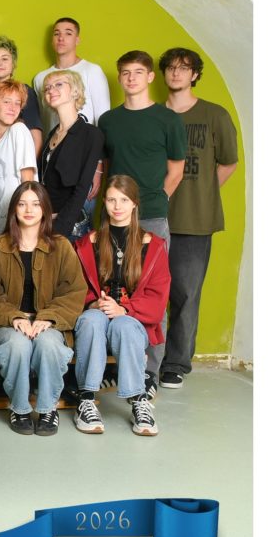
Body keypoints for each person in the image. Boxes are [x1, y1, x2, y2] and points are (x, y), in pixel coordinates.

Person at [99, 50, 187, 386]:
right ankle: (115, 365)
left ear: (150, 77)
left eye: (138, 72)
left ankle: (149, 372)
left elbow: (176, 170)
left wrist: (157, 199)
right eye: (125, 72)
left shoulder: (168, 120)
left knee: (151, 292)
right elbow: (107, 167)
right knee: (112, 287)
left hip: (151, 216)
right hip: (113, 217)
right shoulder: (108, 120)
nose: (131, 78)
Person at [159, 47, 238, 389]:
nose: (176, 73)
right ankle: (145, 360)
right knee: (146, 292)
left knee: (186, 293)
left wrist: (203, 190)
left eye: (184, 68)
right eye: (171, 68)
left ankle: (175, 363)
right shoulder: (153, 114)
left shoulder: (214, 115)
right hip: (154, 216)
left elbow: (229, 163)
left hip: (195, 220)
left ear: (194, 75)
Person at [0, 182, 86, 436]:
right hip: (10, 322)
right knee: (16, 346)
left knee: (49, 345)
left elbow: (74, 292)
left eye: (36, 204)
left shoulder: (61, 246)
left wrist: (49, 318)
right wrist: (14, 317)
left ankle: (48, 408)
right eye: (22, 204)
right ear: (14, 209)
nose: (29, 210)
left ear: (45, 210)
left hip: (49, 321)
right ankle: (19, 409)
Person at [72, 175, 170, 436]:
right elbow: (73, 289)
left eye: (124, 200)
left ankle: (139, 400)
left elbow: (158, 299)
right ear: (104, 203)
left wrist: (124, 309)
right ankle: (86, 399)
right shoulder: (87, 243)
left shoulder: (154, 245)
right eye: (112, 200)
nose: (117, 206)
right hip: (96, 314)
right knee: (91, 320)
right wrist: (93, 303)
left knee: (124, 326)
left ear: (135, 203)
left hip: (132, 321)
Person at [38, 70, 105, 240]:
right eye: (47, 88)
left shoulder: (91, 134)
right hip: (46, 223)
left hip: (70, 228)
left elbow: (81, 189)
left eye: (59, 84)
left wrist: (59, 228)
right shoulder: (52, 134)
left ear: (75, 90)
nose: (51, 90)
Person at [0, 79, 37, 242]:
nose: (13, 108)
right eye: (7, 102)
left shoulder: (18, 131)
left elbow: (28, 182)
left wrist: (23, 226)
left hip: (16, 225)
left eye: (17, 103)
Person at [32, 16, 111, 129]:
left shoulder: (92, 71)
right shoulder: (40, 78)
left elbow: (103, 117)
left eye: (68, 33)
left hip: (86, 139)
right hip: (54, 139)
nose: (61, 38)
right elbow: (43, 120)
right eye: (56, 34)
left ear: (77, 40)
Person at [0, 36, 44, 155]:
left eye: (4, 59)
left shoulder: (25, 92)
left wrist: (29, 165)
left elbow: (36, 138)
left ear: (13, 64)